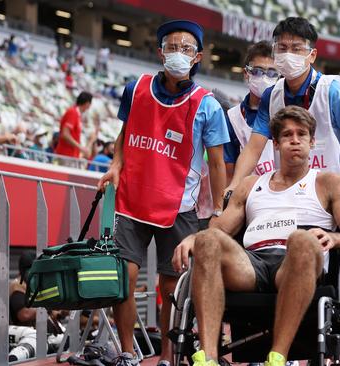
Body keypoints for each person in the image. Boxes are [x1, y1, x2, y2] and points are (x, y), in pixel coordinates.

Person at [171, 105, 340, 366]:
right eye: (287, 135)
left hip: (297, 263)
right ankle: (207, 358)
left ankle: (277, 357)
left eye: (301, 134)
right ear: (276, 144)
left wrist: (335, 238)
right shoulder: (251, 185)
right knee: (206, 239)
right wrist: (191, 239)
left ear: (312, 142)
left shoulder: (329, 183)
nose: (295, 140)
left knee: (301, 239)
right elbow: (217, 232)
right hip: (253, 264)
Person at [97, 19, 229, 366]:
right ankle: (128, 352)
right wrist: (115, 164)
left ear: (197, 56)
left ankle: (168, 357)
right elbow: (126, 134)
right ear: (160, 52)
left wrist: (218, 210)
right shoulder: (136, 88)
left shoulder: (208, 105)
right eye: (172, 46)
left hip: (180, 206)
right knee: (122, 279)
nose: (178, 53)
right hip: (131, 200)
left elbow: (216, 164)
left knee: (171, 288)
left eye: (186, 48)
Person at [224, 17, 340, 202]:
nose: (288, 54)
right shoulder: (271, 96)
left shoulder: (332, 91)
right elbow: (253, 149)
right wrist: (234, 184)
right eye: (282, 48)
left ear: (312, 55)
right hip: (289, 193)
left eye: (296, 49)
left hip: (332, 194)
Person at [225, 41, 279, 181]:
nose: (265, 78)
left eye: (272, 73)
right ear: (246, 73)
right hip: (246, 197)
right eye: (258, 71)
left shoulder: (288, 113)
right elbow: (228, 172)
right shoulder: (233, 118)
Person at [54, 92, 93, 164]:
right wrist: (81, 147)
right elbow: (65, 134)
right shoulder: (73, 112)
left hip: (70, 156)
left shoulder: (77, 114)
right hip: (65, 155)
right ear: (87, 103)